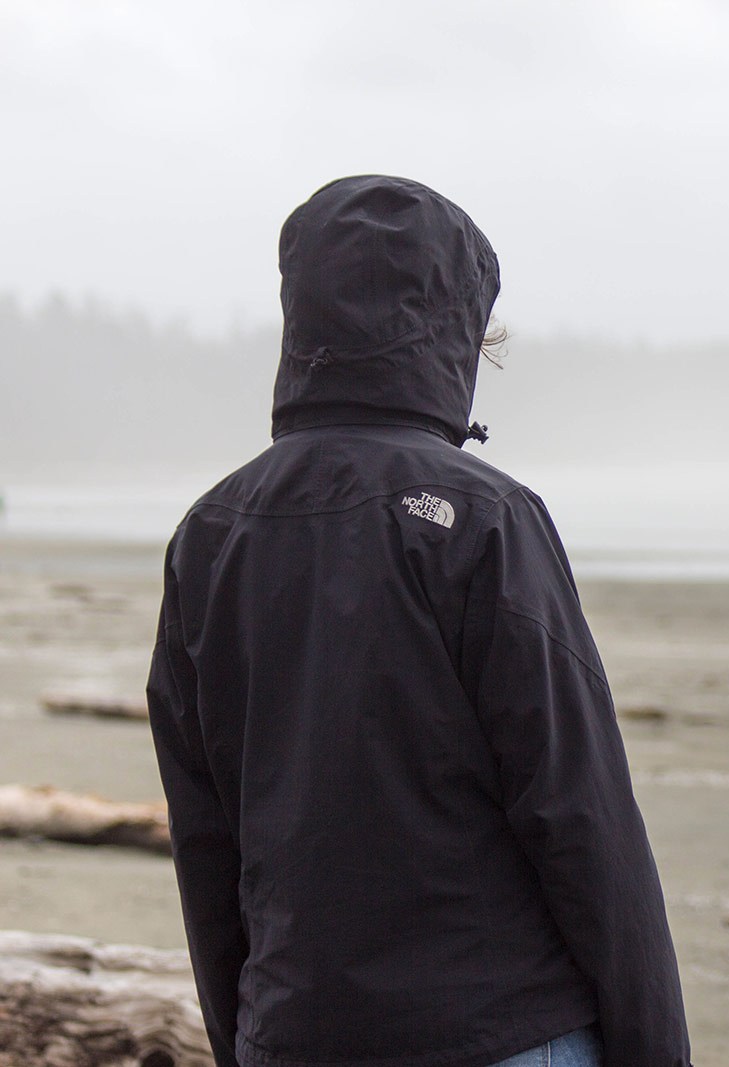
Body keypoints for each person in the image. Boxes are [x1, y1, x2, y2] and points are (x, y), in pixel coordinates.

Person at [146, 175, 692, 1067]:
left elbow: (206, 841)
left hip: (294, 1033)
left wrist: (245, 1035)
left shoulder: (209, 534)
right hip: (498, 1027)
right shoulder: (485, 518)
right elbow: (581, 813)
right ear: (456, 333)